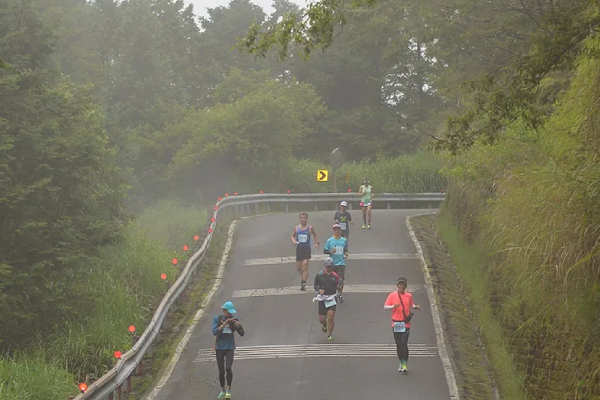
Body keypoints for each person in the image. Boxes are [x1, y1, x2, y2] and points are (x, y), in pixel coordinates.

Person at [383, 277, 421, 374]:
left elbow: (410, 305)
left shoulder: (409, 296)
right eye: (400, 285)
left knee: (404, 343)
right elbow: (385, 307)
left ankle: (405, 364)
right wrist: (393, 306)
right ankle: (401, 361)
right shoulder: (392, 295)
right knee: (399, 345)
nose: (401, 286)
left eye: (403, 285)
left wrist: (416, 307)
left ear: (405, 286)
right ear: (397, 286)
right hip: (396, 323)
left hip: (405, 323)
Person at [212, 301, 245, 398]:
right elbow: (214, 332)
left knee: (228, 368)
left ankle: (228, 390)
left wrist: (238, 325)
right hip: (219, 348)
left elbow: (242, 333)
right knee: (221, 371)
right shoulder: (217, 319)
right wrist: (224, 324)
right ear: (224, 311)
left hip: (230, 347)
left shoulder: (234, 319)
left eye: (231, 312)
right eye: (228, 312)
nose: (230, 314)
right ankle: (222, 390)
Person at [291, 212, 320, 291]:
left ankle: (303, 283)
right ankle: (304, 276)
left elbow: (315, 235)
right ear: (299, 219)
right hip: (299, 249)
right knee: (298, 268)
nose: (303, 219)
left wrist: (317, 243)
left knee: (305, 266)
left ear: (307, 219)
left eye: (304, 218)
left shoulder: (310, 228)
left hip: (307, 249)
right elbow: (292, 236)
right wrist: (293, 241)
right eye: (301, 218)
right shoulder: (296, 228)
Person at [313, 258, 340, 341]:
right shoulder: (320, 274)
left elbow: (339, 285)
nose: (329, 268)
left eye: (330, 266)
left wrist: (338, 289)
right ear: (325, 266)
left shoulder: (335, 275)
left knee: (330, 317)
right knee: (322, 319)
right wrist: (319, 290)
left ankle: (329, 334)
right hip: (322, 299)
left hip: (331, 298)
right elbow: (315, 285)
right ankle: (324, 324)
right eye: (327, 266)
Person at [323, 224, 348, 303]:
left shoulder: (344, 240)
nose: (336, 231)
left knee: (340, 279)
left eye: (338, 230)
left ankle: (339, 294)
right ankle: (332, 293)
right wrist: (331, 251)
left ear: (340, 231)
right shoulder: (329, 240)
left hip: (341, 263)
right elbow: (325, 251)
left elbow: (345, 249)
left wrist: (346, 253)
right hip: (332, 263)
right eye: (335, 230)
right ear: (333, 231)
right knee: (332, 279)